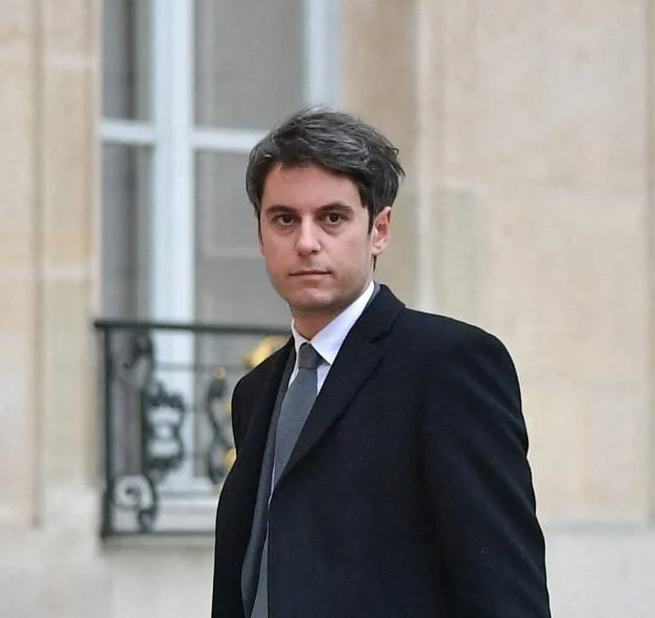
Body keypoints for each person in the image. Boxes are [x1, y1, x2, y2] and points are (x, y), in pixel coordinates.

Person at [211, 107, 551, 617]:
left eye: (332, 218)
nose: (306, 242)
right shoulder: (256, 391)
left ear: (380, 230)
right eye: (285, 219)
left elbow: (504, 591)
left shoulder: (449, 366)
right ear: (261, 236)